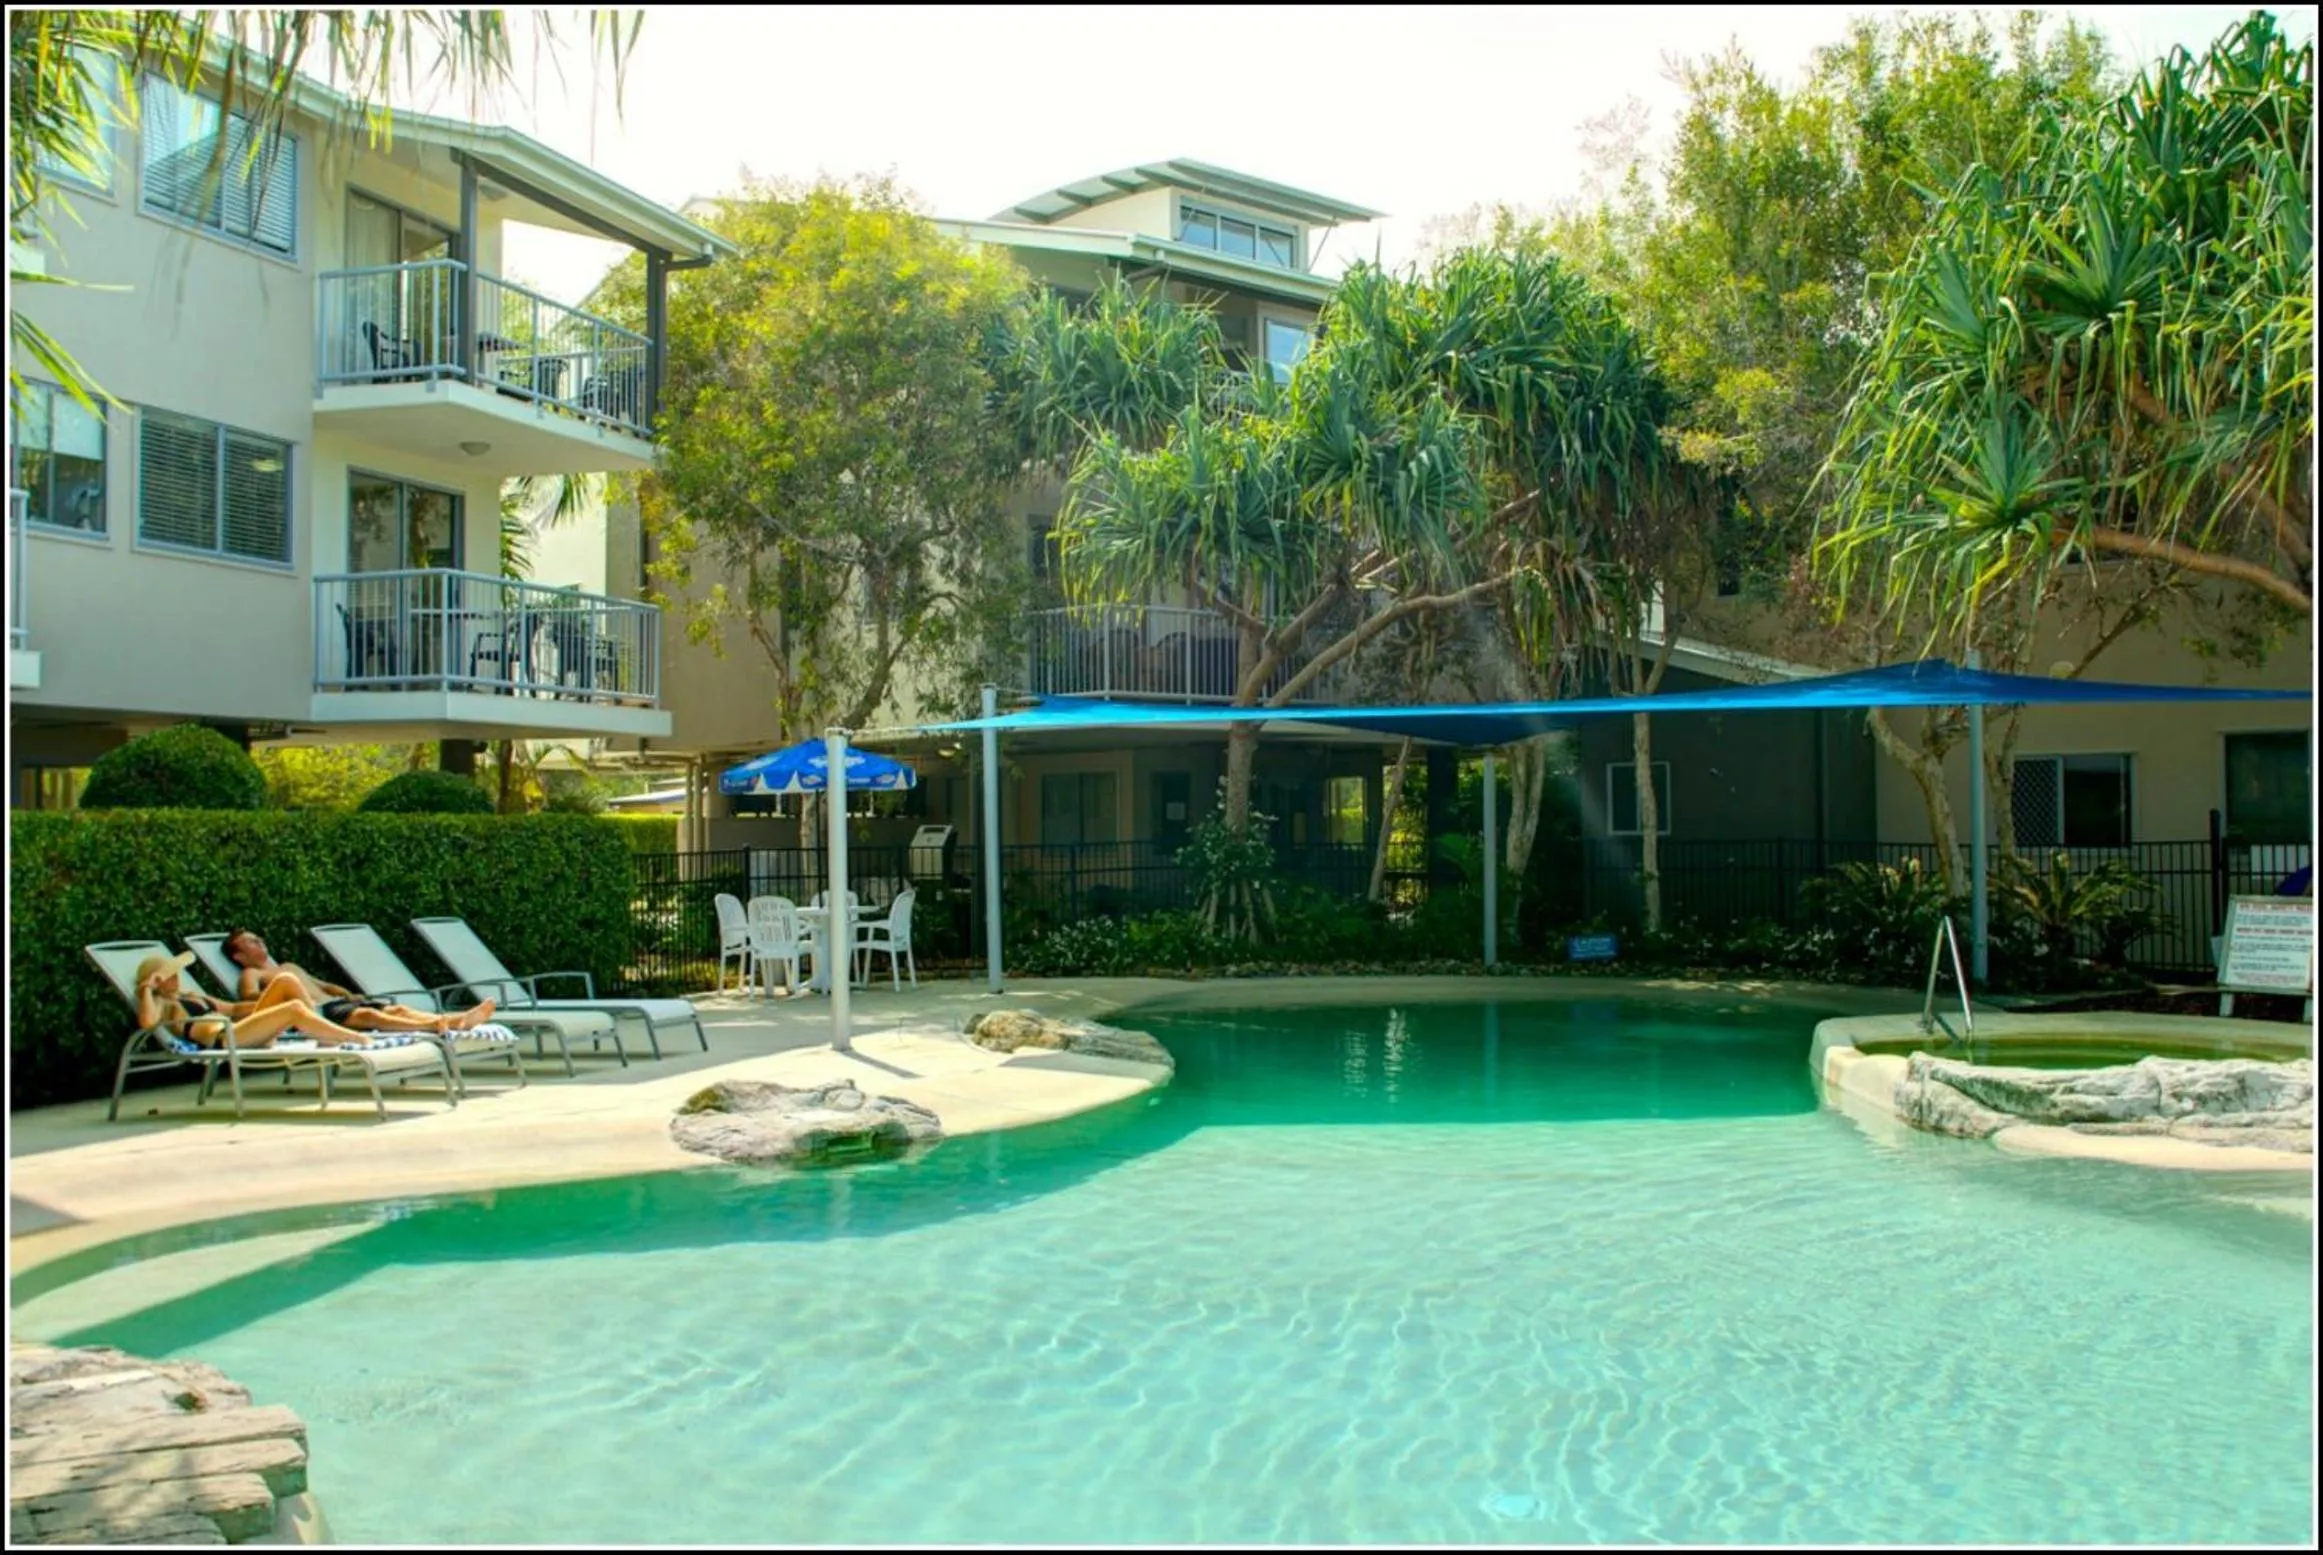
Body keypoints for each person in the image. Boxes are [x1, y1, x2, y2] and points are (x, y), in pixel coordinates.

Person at [220, 930, 494, 1035]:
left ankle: (456, 1019)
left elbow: (325, 985)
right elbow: (248, 1000)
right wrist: (287, 997)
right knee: (369, 1015)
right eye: (251, 942)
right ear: (239, 955)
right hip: (317, 1013)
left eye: (259, 938)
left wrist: (346, 992)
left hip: (335, 1003)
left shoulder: (287, 966)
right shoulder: (252, 975)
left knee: (394, 1010)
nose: (260, 943)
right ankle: (435, 1026)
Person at [131, 952, 376, 1049]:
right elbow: (148, 1022)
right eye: (169, 974)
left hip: (240, 1029)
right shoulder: (164, 1004)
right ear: (158, 981)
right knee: (293, 1008)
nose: (176, 977)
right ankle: (350, 1037)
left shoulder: (193, 996)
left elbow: (236, 1008)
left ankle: (323, 1031)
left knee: (286, 980)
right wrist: (146, 990)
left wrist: (272, 1007)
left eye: (176, 971)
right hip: (225, 1039)